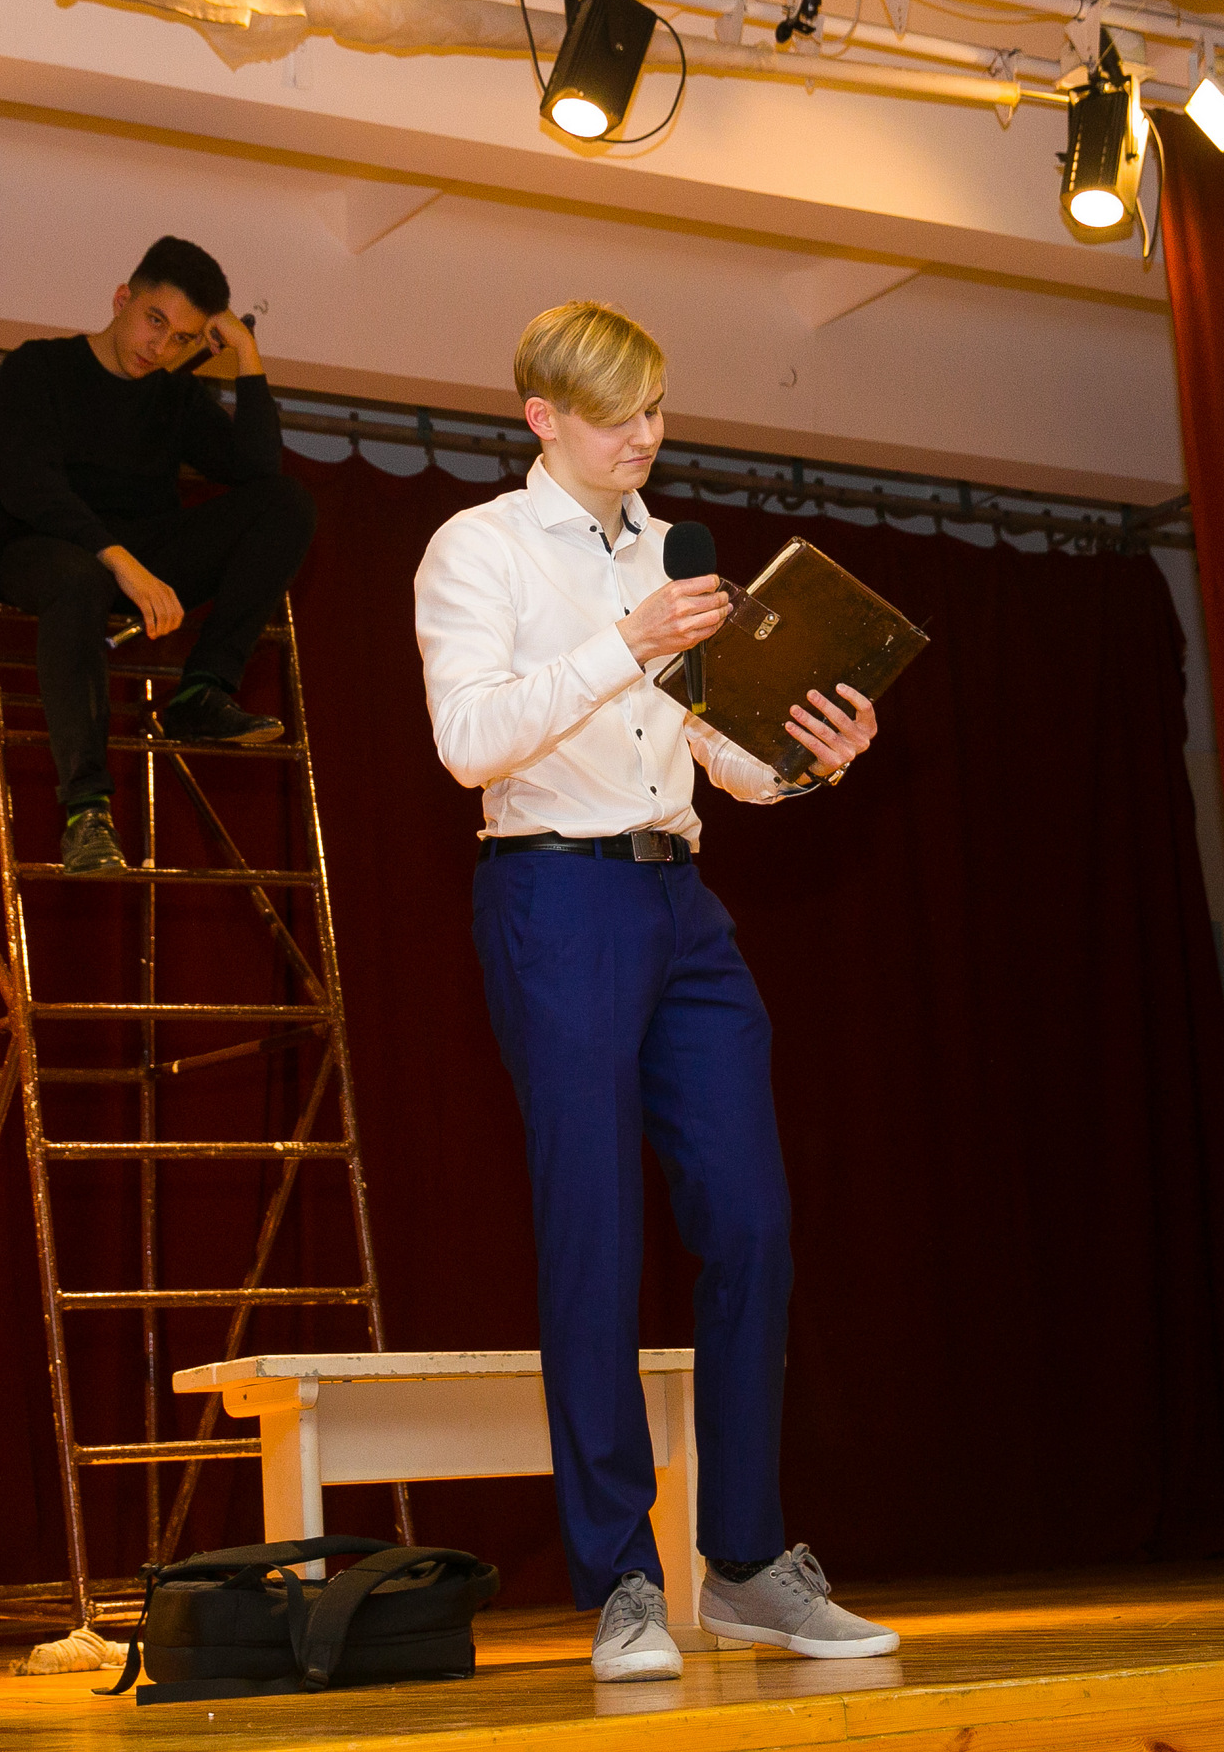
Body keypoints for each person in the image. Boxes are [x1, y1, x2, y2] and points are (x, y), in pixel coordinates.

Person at [411, 300, 895, 1685]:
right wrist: (622, 641)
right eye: (617, 414)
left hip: (680, 897)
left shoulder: (673, 554)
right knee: (593, 1231)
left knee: (751, 1219)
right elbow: (466, 740)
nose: (646, 436)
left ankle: (742, 1559)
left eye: (656, 410)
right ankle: (622, 1576)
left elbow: (716, 754)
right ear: (543, 417)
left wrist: (809, 754)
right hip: (553, 893)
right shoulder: (479, 548)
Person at [0, 235, 315, 874]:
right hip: (43, 549)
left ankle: (202, 690)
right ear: (122, 300)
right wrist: (118, 560)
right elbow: (28, 484)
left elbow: (258, 471)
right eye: (154, 321)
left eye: (183, 338)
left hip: (142, 557)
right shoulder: (40, 366)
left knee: (288, 504)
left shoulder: (175, 396)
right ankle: (87, 812)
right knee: (79, 577)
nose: (160, 347)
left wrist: (247, 355)